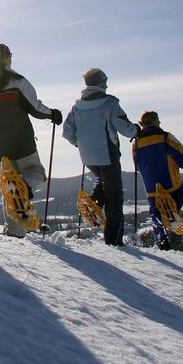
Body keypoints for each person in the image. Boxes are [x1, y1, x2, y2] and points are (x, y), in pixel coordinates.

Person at [0, 43, 62, 237]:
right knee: (36, 174)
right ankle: (25, 187)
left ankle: (15, 232)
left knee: (9, 184)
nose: (12, 57)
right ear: (5, 57)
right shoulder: (16, 81)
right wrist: (53, 114)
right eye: (10, 54)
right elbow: (35, 107)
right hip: (21, 139)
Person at [61, 68, 139, 245]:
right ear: (102, 82)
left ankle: (94, 201)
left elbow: (66, 132)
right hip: (108, 155)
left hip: (88, 157)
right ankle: (114, 241)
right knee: (115, 198)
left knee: (103, 180)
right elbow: (125, 127)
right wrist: (137, 130)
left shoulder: (77, 106)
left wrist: (78, 143)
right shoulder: (109, 103)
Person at [132, 111, 183, 250]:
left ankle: (161, 241)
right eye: (158, 120)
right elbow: (179, 156)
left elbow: (137, 165)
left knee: (155, 212)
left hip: (151, 187)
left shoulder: (136, 142)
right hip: (169, 182)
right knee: (181, 194)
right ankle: (170, 215)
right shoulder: (165, 137)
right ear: (154, 121)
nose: (160, 123)